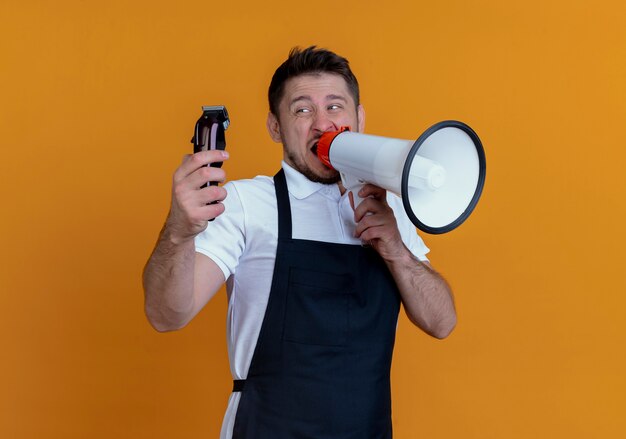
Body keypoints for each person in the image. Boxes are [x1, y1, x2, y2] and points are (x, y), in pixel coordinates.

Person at [143, 46, 457, 439]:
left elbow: (442, 322)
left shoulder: (390, 207)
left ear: (358, 118)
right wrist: (179, 229)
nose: (323, 125)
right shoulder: (243, 203)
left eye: (335, 107)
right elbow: (167, 315)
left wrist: (396, 249)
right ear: (275, 127)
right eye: (302, 110)